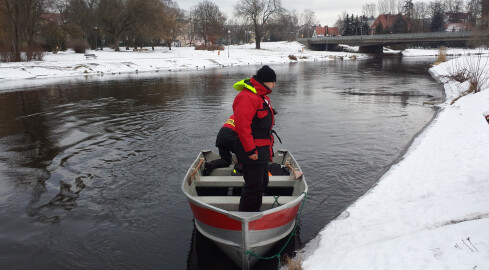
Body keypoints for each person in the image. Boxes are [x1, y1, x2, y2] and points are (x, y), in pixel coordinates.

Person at [232, 65, 277, 212]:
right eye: (272, 81)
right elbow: (242, 127)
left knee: (262, 184)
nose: (274, 85)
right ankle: (246, 216)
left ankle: (254, 211)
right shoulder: (247, 97)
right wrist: (251, 150)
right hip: (252, 151)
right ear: (265, 81)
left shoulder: (261, 96)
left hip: (262, 149)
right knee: (253, 187)